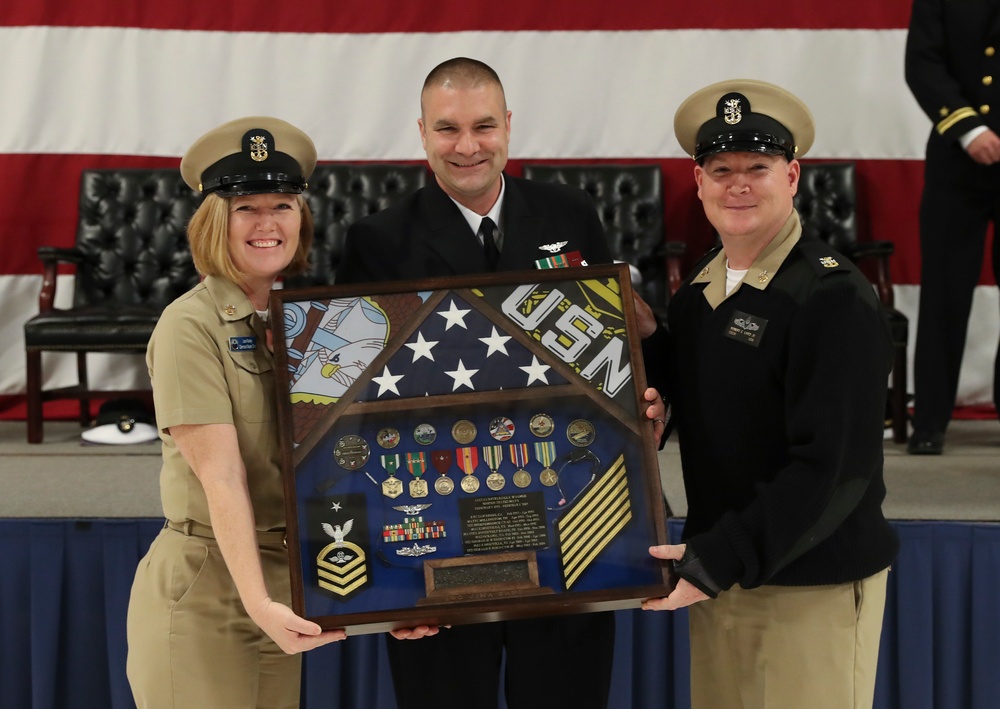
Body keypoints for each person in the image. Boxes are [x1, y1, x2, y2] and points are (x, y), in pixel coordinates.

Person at [336, 57, 665, 709]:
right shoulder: (376, 240)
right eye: (448, 128)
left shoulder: (572, 214)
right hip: (439, 534)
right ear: (422, 132)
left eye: (484, 126)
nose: (467, 146)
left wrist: (646, 405)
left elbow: (611, 355)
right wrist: (384, 579)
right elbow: (356, 412)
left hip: (569, 520)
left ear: (509, 126)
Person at [641, 80, 900, 709]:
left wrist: (719, 558)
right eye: (721, 168)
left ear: (792, 176)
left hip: (808, 586)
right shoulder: (700, 292)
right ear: (697, 181)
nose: (739, 184)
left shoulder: (830, 297)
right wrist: (647, 378)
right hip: (724, 579)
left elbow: (832, 467)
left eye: (758, 167)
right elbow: (713, 389)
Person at [126, 116, 345, 708]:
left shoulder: (314, 326)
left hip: (283, 582)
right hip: (209, 587)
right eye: (246, 207)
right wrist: (258, 603)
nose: (268, 224)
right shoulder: (188, 326)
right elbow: (222, 478)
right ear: (214, 220)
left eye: (283, 204)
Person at [904, 0, 1000, 455]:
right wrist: (969, 130)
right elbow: (921, 62)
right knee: (944, 292)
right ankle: (929, 421)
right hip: (956, 162)